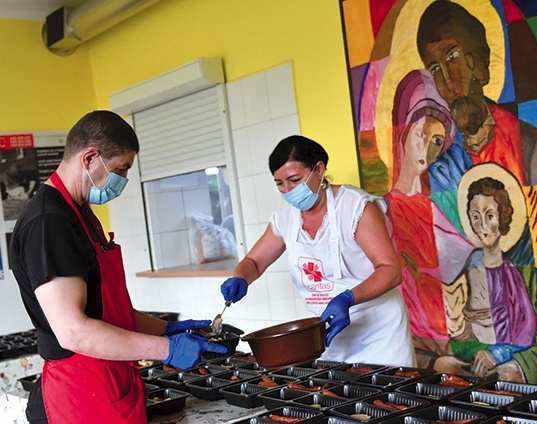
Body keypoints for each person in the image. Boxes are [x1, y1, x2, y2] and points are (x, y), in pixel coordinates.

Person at [9, 110, 227, 424]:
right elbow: (73, 332)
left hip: (111, 379)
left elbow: (105, 311)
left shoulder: (80, 212)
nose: (122, 180)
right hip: (81, 391)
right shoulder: (49, 223)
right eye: (121, 168)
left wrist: (168, 328)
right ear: (90, 158)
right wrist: (166, 348)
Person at [220, 135, 415, 366]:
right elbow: (254, 261)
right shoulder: (285, 218)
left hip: (379, 333)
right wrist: (241, 277)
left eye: (294, 180)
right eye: (280, 184)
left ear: (319, 169)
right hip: (327, 334)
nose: (288, 190)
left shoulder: (355, 206)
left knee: (387, 400)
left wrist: (347, 298)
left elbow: (390, 271)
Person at [416, 0, 537, 190]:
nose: (448, 82)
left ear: (480, 60)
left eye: (453, 57)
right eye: (435, 69)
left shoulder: (526, 143)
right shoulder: (440, 161)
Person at [384, 69, 474, 368]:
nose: (428, 148)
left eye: (438, 141)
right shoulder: (381, 211)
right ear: (404, 132)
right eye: (422, 134)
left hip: (452, 336)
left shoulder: (441, 206)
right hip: (410, 342)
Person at [438, 165, 537, 382]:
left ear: (502, 218)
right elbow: (456, 318)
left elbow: (526, 331)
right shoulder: (469, 264)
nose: (482, 225)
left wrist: (496, 353)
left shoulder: (510, 272)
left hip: (498, 356)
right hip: (470, 354)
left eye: (490, 215)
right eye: (475, 216)